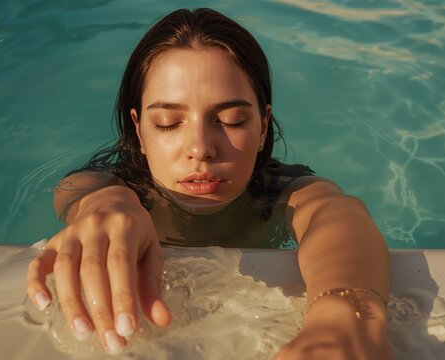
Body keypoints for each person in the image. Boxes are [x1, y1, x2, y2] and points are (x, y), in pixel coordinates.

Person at [26, 8, 391, 359]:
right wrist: (111, 204)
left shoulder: (283, 193)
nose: (200, 148)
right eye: (168, 122)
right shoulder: (113, 188)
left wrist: (344, 318)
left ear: (263, 127)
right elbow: (79, 192)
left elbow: (336, 214)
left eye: (231, 120)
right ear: (138, 129)